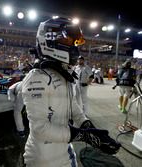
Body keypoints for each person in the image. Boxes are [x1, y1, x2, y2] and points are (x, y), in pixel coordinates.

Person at [21, 18, 121, 167]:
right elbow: (39, 128)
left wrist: (89, 127)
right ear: (50, 40)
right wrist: (84, 136)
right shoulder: (38, 77)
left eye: (74, 43)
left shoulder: (63, 73)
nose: (74, 47)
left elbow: (73, 106)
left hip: (65, 149)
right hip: (42, 158)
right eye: (69, 41)